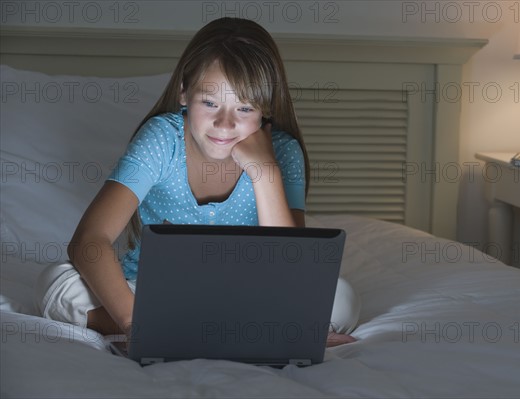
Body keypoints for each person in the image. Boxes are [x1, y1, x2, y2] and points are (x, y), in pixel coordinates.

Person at [35, 17, 360, 348]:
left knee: (341, 300)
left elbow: (293, 269)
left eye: (244, 108)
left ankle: (193, 328)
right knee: (56, 285)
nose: (225, 122)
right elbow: (89, 239)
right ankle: (235, 329)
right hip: (155, 292)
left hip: (250, 294)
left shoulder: (283, 152)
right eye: (210, 102)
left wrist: (265, 173)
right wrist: (135, 322)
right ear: (184, 93)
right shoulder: (163, 140)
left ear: (265, 110)